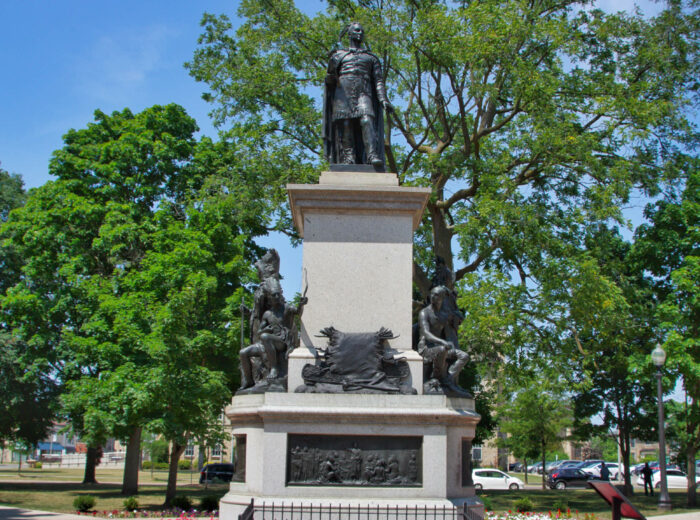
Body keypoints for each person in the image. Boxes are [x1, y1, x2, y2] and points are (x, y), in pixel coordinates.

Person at [324, 22, 393, 168]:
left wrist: (383, 99)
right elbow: (329, 77)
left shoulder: (371, 58)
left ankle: (372, 155)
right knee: (345, 124)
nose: (360, 33)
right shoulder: (338, 56)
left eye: (362, 31)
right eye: (356, 30)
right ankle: (349, 158)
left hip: (363, 91)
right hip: (343, 92)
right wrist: (330, 77)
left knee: (367, 120)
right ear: (349, 33)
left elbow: (379, 81)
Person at [417, 286, 469, 388]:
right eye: (432, 294)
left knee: (464, 356)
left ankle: (447, 379)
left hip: (442, 348)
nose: (432, 297)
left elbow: (456, 318)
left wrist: (458, 318)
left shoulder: (443, 314)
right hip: (426, 349)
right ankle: (436, 377)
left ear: (442, 298)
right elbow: (426, 333)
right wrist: (442, 342)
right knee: (442, 349)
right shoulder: (424, 313)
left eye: (436, 295)